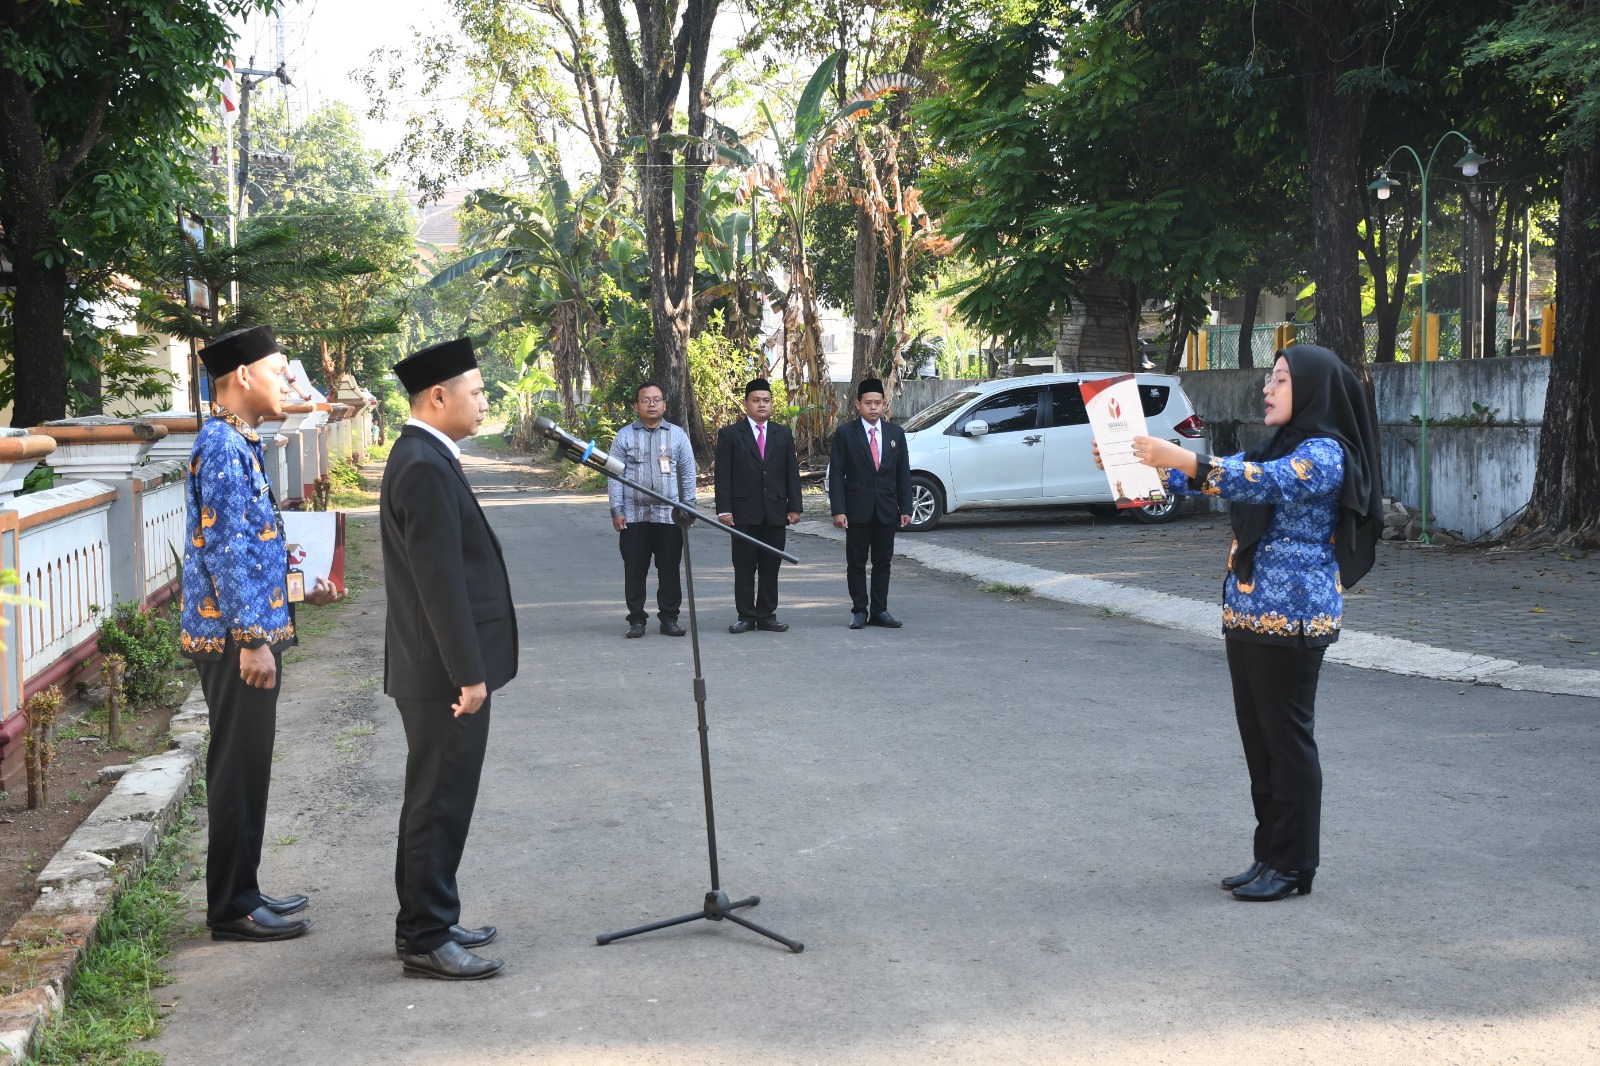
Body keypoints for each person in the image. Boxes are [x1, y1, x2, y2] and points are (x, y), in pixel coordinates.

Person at [1102, 345, 1380, 902]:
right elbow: (1222, 480)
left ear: (1313, 388)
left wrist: (1176, 456)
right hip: (1248, 611)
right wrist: (1137, 462)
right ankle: (1268, 855)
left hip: (1294, 616)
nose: (1267, 389)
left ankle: (1295, 864)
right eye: (1269, 379)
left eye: (1280, 379)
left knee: (1287, 741)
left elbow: (1262, 482)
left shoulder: (1326, 453)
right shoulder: (1281, 444)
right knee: (1259, 741)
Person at [181, 324, 345, 943]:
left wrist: (303, 589)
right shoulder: (222, 445)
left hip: (244, 633)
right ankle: (230, 906)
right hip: (233, 641)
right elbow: (226, 549)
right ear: (243, 376)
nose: (288, 382)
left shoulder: (235, 440)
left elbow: (255, 549)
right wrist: (254, 638)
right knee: (235, 769)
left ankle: (243, 890)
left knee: (249, 767)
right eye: (279, 370)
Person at [382, 336, 518, 979]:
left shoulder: (427, 456)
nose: (485, 399)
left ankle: (431, 915)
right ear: (439, 397)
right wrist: (468, 672)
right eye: (478, 390)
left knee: (440, 797)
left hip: (436, 666)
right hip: (442, 673)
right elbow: (440, 581)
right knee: (438, 799)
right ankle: (425, 936)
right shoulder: (424, 465)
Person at [608, 382, 697, 638]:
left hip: (669, 516)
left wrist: (688, 507)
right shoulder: (624, 436)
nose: (651, 404)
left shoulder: (678, 435)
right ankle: (636, 619)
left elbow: (688, 472)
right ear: (636, 405)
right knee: (634, 569)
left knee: (669, 569)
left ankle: (669, 618)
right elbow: (614, 475)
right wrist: (617, 509)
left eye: (657, 400)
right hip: (634, 516)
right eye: (645, 400)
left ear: (664, 404)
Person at [715, 379, 803, 633]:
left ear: (771, 403)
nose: (761, 404)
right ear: (746, 404)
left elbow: (791, 472)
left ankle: (766, 615)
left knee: (770, 566)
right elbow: (723, 475)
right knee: (743, 567)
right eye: (756, 400)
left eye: (766, 400)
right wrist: (724, 509)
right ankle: (745, 615)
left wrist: (794, 506)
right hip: (743, 513)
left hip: (775, 512)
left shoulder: (782, 433)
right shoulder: (731, 434)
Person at [828, 378, 913, 629]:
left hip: (886, 510)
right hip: (856, 510)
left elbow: (902, 473)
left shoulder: (895, 433)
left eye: (877, 403)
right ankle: (859, 610)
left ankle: (880, 610)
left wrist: (906, 508)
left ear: (884, 404)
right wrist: (839, 510)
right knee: (856, 562)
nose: (873, 407)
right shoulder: (845, 433)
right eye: (868, 403)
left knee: (883, 562)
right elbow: (836, 474)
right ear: (858, 405)